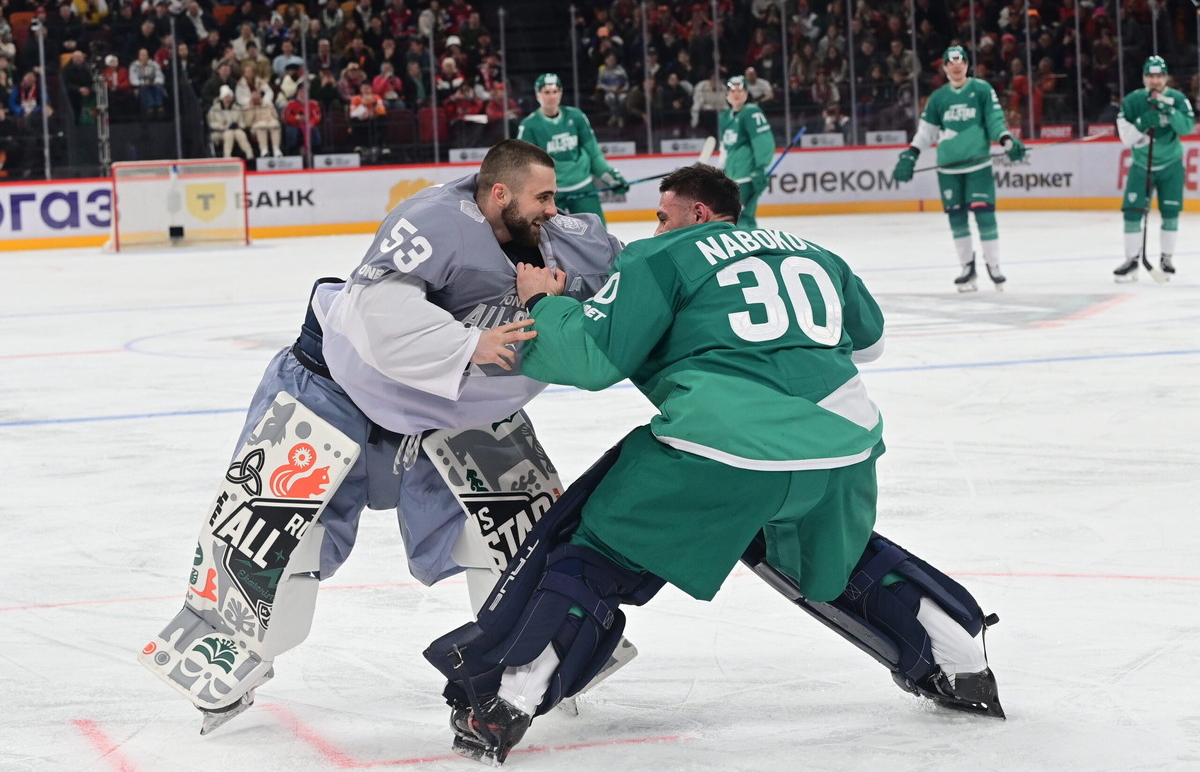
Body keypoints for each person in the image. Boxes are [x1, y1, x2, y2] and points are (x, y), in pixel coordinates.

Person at [424, 164, 1005, 765]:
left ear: (697, 213)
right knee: (832, 550)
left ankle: (508, 701)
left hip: (723, 447)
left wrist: (543, 301)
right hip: (845, 447)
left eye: (662, 212)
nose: (655, 224)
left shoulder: (660, 256)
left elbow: (593, 362)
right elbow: (870, 341)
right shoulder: (815, 251)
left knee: (592, 549)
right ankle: (960, 660)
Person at [140, 139, 624, 734]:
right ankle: (224, 658)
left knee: (513, 536)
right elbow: (376, 314)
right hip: (336, 391)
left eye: (556, 197)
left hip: (459, 412)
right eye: (542, 196)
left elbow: (645, 296)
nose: (554, 209)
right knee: (273, 541)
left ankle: (550, 654)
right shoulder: (431, 221)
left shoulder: (576, 241)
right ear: (500, 193)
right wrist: (468, 345)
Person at [892, 46, 1026, 292]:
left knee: (985, 215)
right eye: (951, 63)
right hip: (948, 169)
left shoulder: (982, 89)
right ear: (944, 68)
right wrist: (911, 153)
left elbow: (995, 121)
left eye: (961, 61)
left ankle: (994, 266)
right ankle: (967, 267)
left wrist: (1006, 140)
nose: (956, 66)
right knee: (957, 218)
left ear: (966, 65)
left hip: (978, 165)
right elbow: (926, 132)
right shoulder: (938, 98)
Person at [1113, 55, 1194, 282]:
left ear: (1166, 77)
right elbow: (1126, 138)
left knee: (1170, 213)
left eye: (1159, 76)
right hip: (1141, 165)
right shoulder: (1132, 102)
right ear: (1144, 78)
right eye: (1150, 76)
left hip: (1171, 165)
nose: (1155, 81)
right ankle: (1131, 260)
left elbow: (1186, 127)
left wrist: (1169, 111)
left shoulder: (1177, 99)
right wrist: (1142, 122)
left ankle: (1166, 258)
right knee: (1132, 212)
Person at [516, 73, 629, 225]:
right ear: (538, 95)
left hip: (583, 187)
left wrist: (610, 177)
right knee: (547, 237)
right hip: (551, 193)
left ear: (561, 93)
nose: (551, 96)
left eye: (555, 91)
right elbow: (524, 166)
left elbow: (594, 154)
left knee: (597, 233)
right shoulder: (529, 126)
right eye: (547, 92)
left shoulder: (577, 117)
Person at [718, 75, 774, 229]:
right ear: (727, 94)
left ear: (747, 93)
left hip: (747, 173)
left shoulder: (751, 112)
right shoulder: (724, 117)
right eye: (732, 90)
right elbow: (725, 146)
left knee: (742, 216)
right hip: (731, 174)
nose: (736, 93)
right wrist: (722, 169)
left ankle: (749, 249)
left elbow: (764, 142)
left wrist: (760, 168)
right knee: (732, 216)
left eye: (740, 90)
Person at [207, 84, 255, 159]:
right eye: (226, 97)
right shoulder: (214, 109)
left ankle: (249, 153)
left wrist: (239, 125)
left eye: (229, 98)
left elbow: (241, 121)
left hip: (234, 130)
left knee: (240, 133)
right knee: (229, 133)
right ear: (222, 98)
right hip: (219, 132)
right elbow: (211, 123)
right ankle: (227, 155)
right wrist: (221, 127)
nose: (228, 100)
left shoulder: (236, 108)